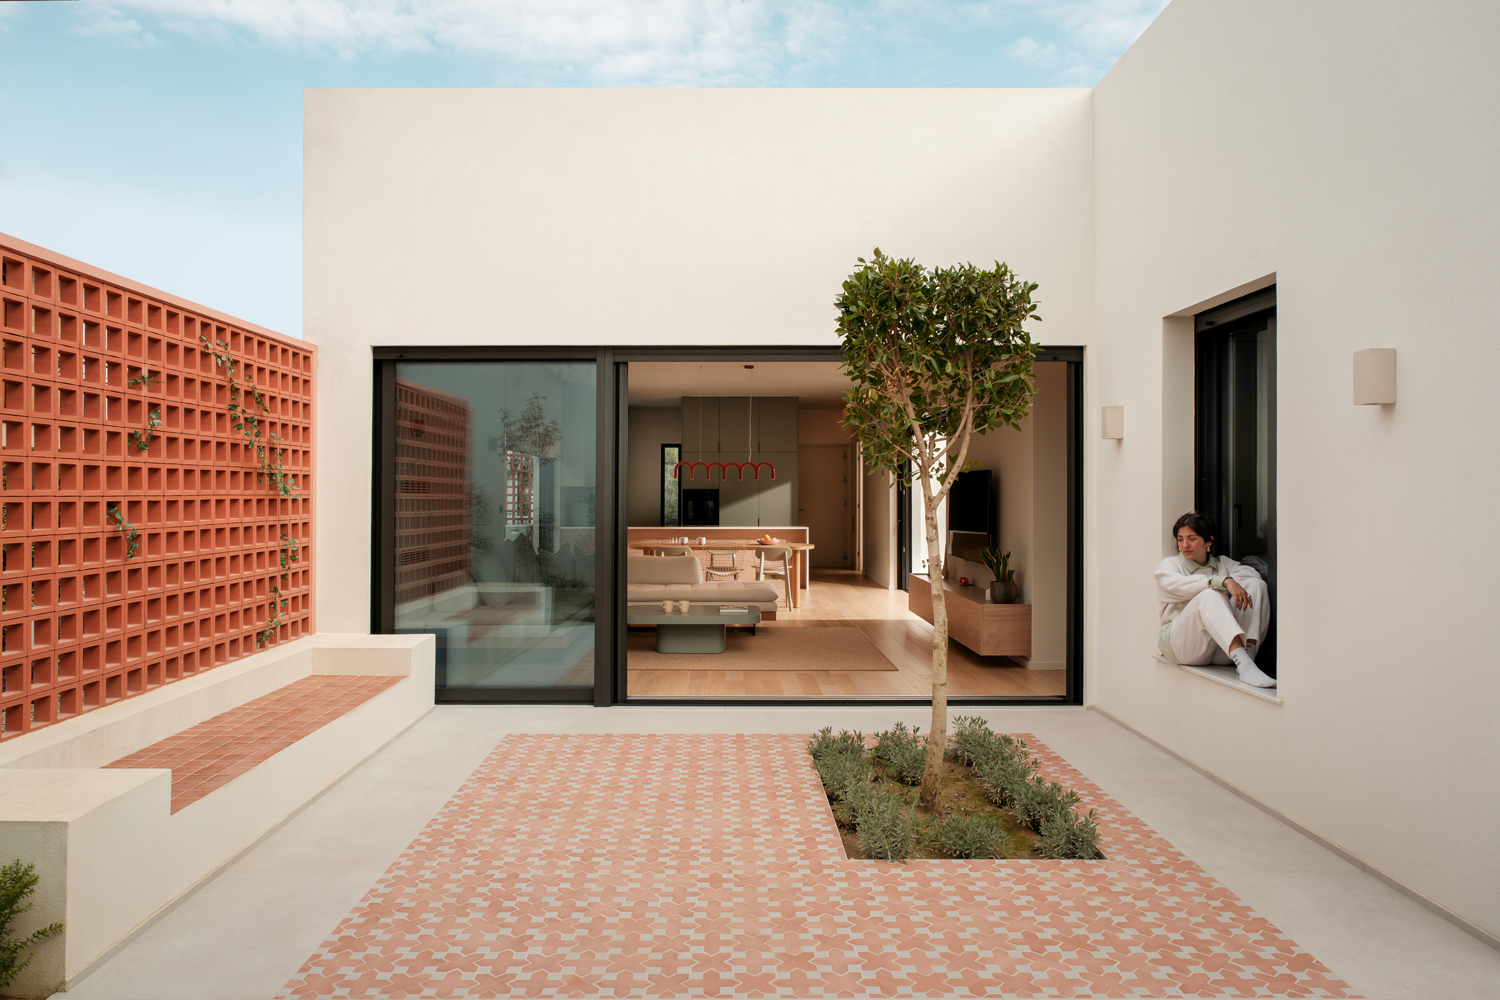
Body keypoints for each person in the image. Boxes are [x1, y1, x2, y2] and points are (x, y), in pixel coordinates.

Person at [1155, 512, 1275, 688]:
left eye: (1192, 538)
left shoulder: (1223, 564)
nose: (1184, 545)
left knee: (1255, 584)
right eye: (1180, 539)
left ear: (1208, 541)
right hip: (1184, 647)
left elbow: (1251, 576)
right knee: (1210, 594)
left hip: (1220, 650)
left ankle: (1246, 659)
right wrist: (1223, 581)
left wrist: (1231, 582)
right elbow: (1176, 585)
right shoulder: (1170, 565)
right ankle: (1246, 666)